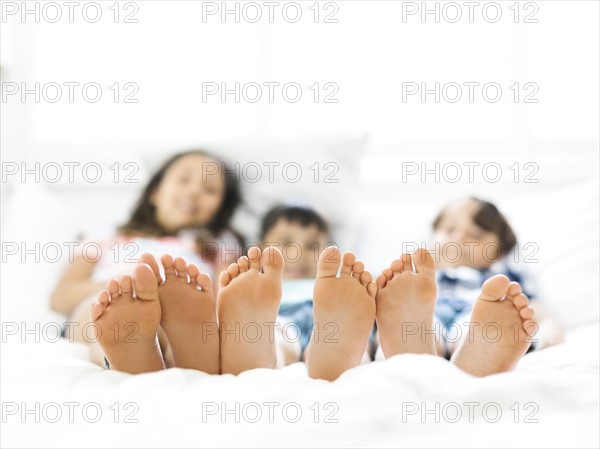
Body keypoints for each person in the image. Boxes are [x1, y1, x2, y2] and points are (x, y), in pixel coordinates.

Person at [51, 150, 243, 373]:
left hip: (175, 309)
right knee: (101, 313)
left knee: (180, 317)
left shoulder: (219, 244)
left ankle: (178, 355)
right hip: (104, 300)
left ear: (220, 209)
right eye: (183, 180)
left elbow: (224, 297)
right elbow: (61, 297)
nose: (194, 191)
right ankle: (115, 353)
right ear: (156, 192)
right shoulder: (106, 236)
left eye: (209, 189)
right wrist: (117, 288)